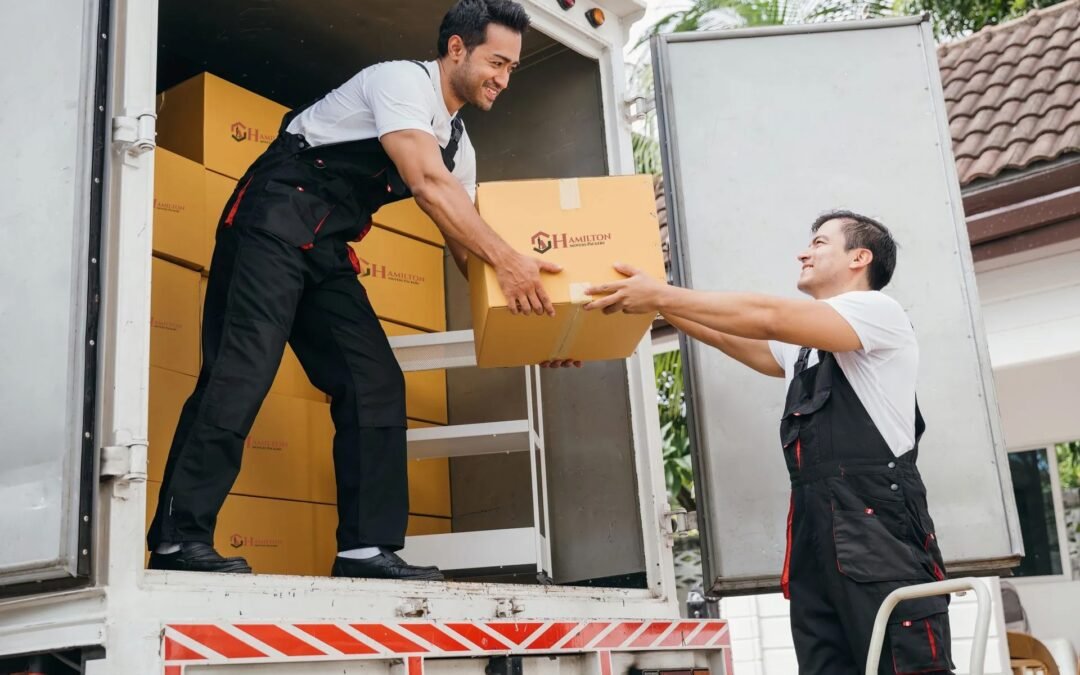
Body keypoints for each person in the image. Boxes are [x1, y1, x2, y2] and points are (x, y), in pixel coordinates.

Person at [147, 0, 575, 581]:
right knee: (240, 372)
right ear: (456, 49)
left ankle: (364, 550)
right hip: (269, 225)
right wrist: (510, 260)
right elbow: (426, 184)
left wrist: (535, 329)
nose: (503, 78)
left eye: (511, 68)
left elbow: (466, 248)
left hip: (325, 250)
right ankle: (179, 541)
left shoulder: (460, 147)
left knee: (374, 381)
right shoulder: (400, 82)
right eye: (495, 62)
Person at [583, 211, 954, 674]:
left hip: (879, 528)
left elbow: (768, 317)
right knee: (826, 664)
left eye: (819, 243)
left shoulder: (879, 311)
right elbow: (736, 339)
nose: (804, 253)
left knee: (903, 663)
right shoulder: (806, 345)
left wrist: (660, 293)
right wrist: (658, 305)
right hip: (817, 528)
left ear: (860, 257)